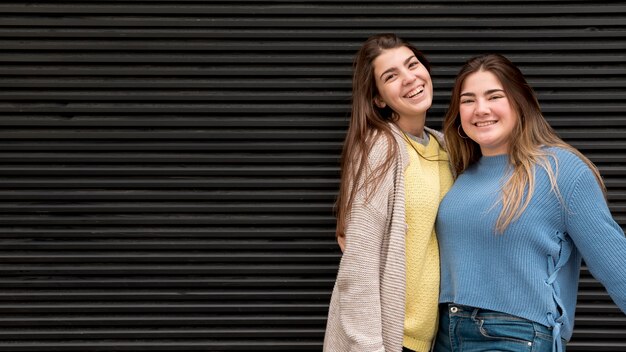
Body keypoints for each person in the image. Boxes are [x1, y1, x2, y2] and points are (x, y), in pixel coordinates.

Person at [434, 53, 626, 352]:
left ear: (519, 101)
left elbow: (617, 266)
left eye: (494, 96)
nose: (480, 109)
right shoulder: (460, 173)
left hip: (516, 336)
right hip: (447, 332)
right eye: (467, 100)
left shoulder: (561, 170)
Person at [323, 33, 453, 352]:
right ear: (379, 98)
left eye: (412, 64)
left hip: (434, 339)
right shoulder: (380, 149)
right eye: (391, 76)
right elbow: (359, 266)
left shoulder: (445, 147)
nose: (409, 78)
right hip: (389, 340)